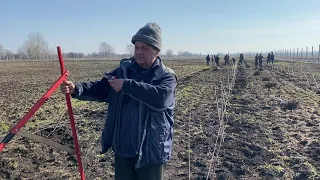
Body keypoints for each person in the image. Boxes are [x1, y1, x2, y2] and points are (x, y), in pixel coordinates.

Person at [60, 22, 177, 180]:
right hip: (123, 150)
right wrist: (77, 88)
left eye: (145, 48)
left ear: (156, 51)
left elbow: (161, 99)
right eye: (137, 47)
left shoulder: (166, 76)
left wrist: (127, 85)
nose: (139, 52)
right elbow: (102, 87)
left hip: (151, 153)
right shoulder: (124, 70)